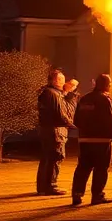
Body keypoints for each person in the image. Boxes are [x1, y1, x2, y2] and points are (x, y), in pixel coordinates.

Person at [72, 73, 112, 206]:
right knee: (101, 168)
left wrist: (85, 131)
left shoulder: (84, 99)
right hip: (101, 140)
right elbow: (110, 119)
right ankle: (97, 195)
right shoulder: (105, 99)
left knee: (83, 167)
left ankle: (77, 194)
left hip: (84, 140)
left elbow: (76, 120)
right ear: (107, 85)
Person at [36, 68, 75, 196]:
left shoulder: (48, 93)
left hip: (48, 130)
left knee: (47, 158)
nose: (64, 82)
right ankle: (50, 186)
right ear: (54, 81)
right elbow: (63, 113)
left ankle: (43, 187)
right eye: (61, 79)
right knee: (55, 157)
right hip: (56, 131)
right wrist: (72, 124)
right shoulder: (53, 94)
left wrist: (66, 92)